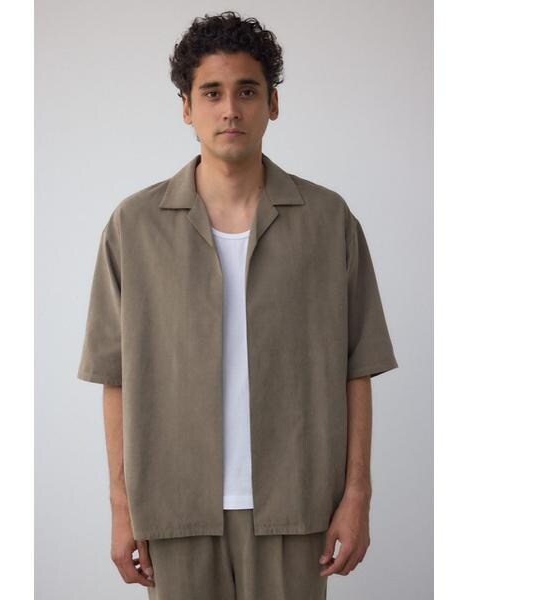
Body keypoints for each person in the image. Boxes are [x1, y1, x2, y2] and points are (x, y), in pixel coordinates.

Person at [77, 10, 398, 600]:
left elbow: (358, 366)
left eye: (247, 91)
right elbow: (114, 376)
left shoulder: (329, 222)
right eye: (212, 93)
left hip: (298, 507)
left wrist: (358, 495)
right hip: (172, 509)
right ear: (186, 107)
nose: (230, 109)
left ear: (272, 103)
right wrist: (121, 507)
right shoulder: (134, 226)